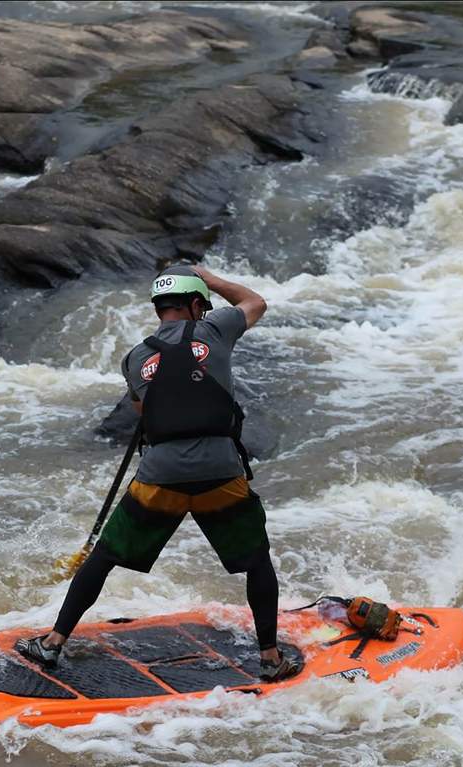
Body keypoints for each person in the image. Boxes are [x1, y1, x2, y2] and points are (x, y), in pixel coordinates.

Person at [16, 264, 300, 682]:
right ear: (197, 304)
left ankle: (53, 643)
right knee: (257, 562)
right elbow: (255, 302)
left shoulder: (134, 358)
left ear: (158, 310)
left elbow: (141, 412)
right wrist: (210, 278)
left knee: (105, 556)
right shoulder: (216, 329)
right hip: (219, 472)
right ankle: (272, 659)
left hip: (160, 475)